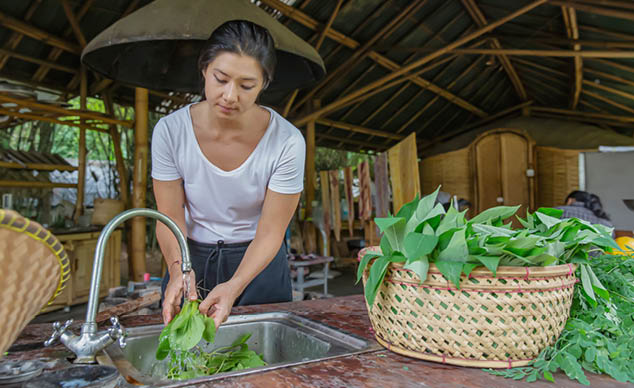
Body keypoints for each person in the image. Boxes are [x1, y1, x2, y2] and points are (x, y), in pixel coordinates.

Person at [151, 20, 305, 329]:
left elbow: (271, 233)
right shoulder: (170, 131)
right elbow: (169, 216)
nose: (230, 95)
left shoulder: (287, 142)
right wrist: (180, 269)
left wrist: (235, 285)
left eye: (246, 85)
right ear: (204, 70)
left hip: (259, 263)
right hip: (190, 256)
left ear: (264, 84)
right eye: (220, 79)